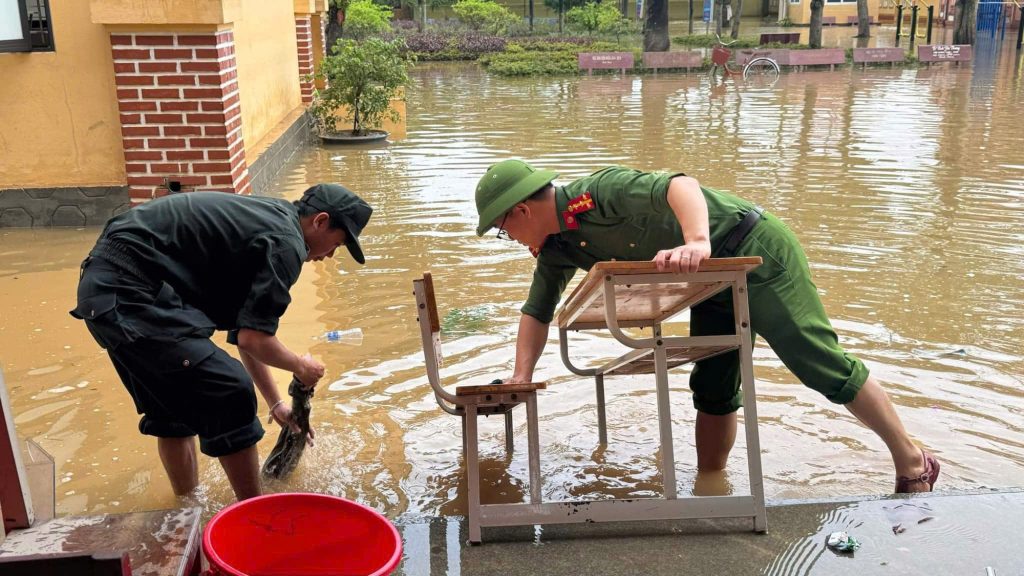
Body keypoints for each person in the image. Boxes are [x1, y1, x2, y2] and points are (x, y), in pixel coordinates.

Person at [473, 159, 940, 493]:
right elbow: (537, 310)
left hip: (751, 247)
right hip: (708, 282)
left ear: (521, 212)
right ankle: (711, 484)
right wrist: (520, 376)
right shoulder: (558, 247)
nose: (508, 238)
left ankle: (911, 459)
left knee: (815, 362)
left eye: (502, 229)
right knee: (713, 383)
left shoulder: (600, 192)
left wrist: (696, 240)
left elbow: (680, 185)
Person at [71, 184, 373, 501]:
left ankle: (185, 512)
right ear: (321, 221)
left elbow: (248, 336)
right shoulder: (287, 244)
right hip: (131, 289)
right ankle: (254, 516)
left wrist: (275, 404)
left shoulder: (268, 223)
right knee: (232, 389)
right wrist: (300, 366)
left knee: (173, 415)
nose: (329, 256)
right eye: (336, 244)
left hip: (109, 287)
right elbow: (255, 339)